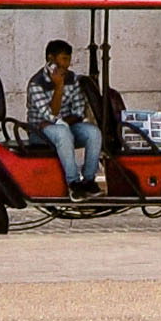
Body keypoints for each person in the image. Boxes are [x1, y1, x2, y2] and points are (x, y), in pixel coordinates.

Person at [27, 38, 110, 208]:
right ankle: (73, 184)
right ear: (51, 58)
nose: (67, 64)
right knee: (62, 132)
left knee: (93, 132)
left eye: (68, 59)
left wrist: (61, 121)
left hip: (63, 126)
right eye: (63, 59)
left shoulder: (72, 79)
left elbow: (78, 112)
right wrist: (59, 87)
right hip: (40, 133)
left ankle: (89, 181)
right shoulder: (36, 83)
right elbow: (50, 115)